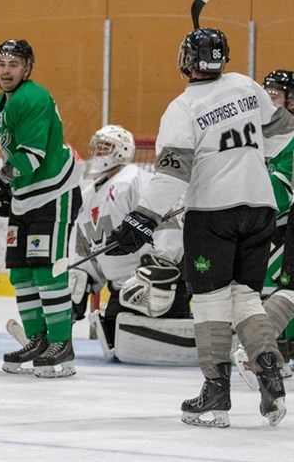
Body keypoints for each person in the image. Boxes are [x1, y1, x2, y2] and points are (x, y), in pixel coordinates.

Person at [104, 28, 291, 428]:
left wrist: (142, 217)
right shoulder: (245, 85)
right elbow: (283, 132)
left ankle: (216, 394)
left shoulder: (182, 107)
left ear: (186, 61)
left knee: (210, 302)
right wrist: (250, 159)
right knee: (246, 298)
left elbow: (173, 175)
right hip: (260, 207)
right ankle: (270, 372)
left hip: (213, 212)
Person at [0, 39, 82, 378]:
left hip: (53, 192)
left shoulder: (34, 97)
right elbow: (14, 157)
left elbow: (31, 156)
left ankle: (61, 344)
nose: (6, 71)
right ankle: (37, 339)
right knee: (21, 272)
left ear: (27, 69)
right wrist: (4, 187)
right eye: (2, 64)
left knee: (47, 271)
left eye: (14, 64)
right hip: (26, 196)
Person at [69, 124, 189, 358]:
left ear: (122, 150)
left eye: (105, 147)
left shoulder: (136, 180)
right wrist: (82, 281)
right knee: (115, 336)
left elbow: (165, 222)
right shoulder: (88, 195)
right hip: (121, 290)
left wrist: (161, 267)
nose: (98, 153)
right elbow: (87, 246)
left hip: (156, 285)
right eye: (97, 148)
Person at [233, 69, 294, 386]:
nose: (269, 102)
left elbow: (280, 191)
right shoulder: (258, 133)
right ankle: (263, 351)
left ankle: (267, 350)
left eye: (276, 95)